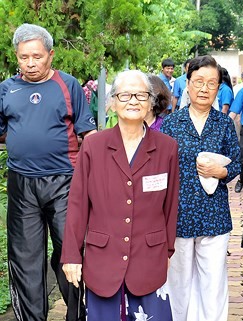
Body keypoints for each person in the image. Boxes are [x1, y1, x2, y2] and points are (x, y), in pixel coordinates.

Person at [61, 70, 179, 320]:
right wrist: (72, 254)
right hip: (103, 257)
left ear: (150, 102)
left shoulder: (167, 147)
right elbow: (78, 203)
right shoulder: (94, 146)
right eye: (125, 95)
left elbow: (170, 206)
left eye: (141, 95)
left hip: (149, 257)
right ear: (112, 102)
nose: (133, 101)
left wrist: (167, 251)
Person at [0, 23, 96, 321]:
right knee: (26, 258)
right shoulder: (6, 89)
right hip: (21, 183)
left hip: (65, 183)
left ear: (50, 55)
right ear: (16, 56)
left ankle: (78, 315)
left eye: (37, 56)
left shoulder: (68, 85)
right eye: (23, 57)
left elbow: (88, 134)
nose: (30, 63)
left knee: (71, 253)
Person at [161, 55, 241, 321]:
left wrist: (223, 172)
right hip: (179, 213)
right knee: (178, 280)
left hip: (213, 213)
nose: (204, 89)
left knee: (213, 280)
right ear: (187, 83)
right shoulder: (172, 124)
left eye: (211, 83)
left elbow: (237, 163)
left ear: (219, 87)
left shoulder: (224, 123)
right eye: (198, 82)